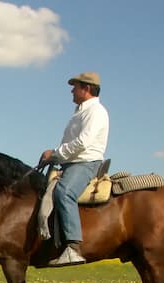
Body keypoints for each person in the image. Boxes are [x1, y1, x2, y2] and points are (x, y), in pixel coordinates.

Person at [39, 71, 109, 266]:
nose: (72, 90)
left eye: (75, 86)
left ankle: (73, 248)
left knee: (64, 192)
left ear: (86, 88)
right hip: (70, 163)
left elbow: (82, 143)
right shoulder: (81, 111)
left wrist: (55, 153)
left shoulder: (95, 111)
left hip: (85, 163)